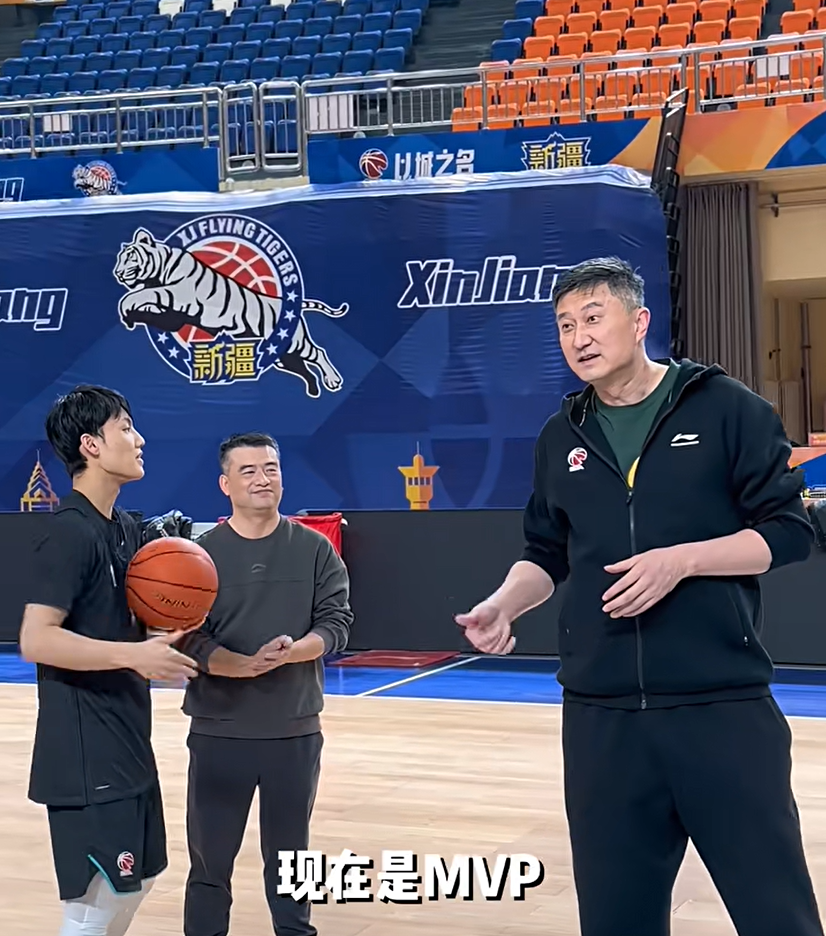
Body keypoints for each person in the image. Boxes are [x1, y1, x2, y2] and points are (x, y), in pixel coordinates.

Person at [456, 258, 824, 936]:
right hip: (602, 719)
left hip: (720, 707)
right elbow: (546, 553)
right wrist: (504, 603)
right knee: (615, 919)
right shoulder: (561, 435)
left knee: (777, 915)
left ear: (639, 321)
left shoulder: (728, 409)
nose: (579, 337)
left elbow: (789, 532)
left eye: (594, 318)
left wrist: (682, 561)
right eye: (565, 325)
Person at [19, 385, 198, 936]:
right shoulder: (69, 533)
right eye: (125, 427)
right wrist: (134, 655)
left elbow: (132, 621)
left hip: (127, 741)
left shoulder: (124, 530)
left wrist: (167, 622)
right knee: (93, 907)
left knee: (137, 882)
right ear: (91, 445)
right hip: (84, 756)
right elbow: (36, 640)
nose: (139, 440)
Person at [175, 432, 352, 936]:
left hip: (293, 729)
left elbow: (336, 623)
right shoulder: (198, 556)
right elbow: (186, 636)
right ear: (225, 483)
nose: (262, 479)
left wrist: (294, 651)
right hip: (219, 730)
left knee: (292, 862)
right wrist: (235, 663)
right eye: (248, 470)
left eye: (270, 468)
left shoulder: (315, 548)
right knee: (210, 864)